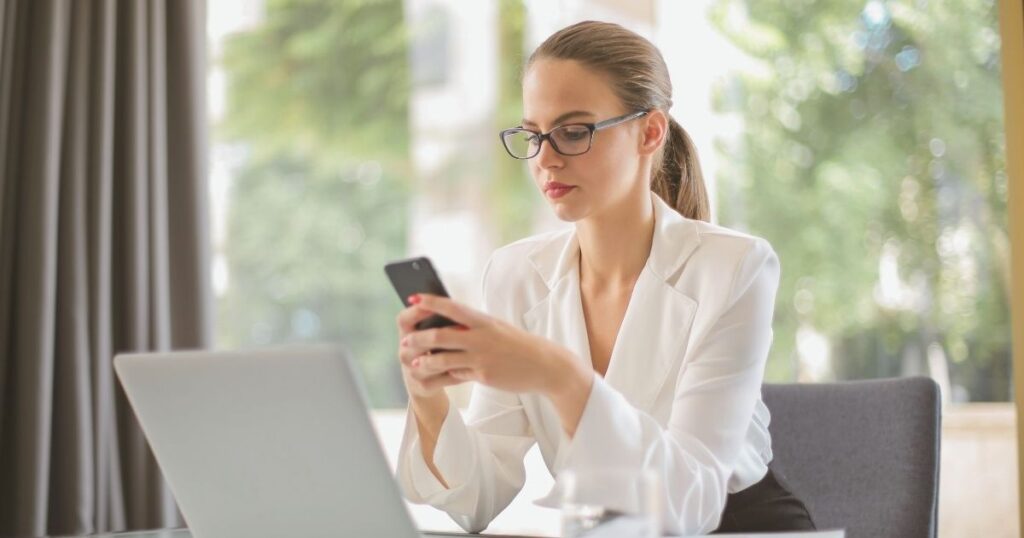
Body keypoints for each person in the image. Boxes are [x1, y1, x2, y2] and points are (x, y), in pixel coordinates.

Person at [393, 20, 815, 536]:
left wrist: (559, 375)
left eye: (573, 132)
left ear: (650, 132)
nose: (545, 159)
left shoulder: (735, 267)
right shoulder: (515, 275)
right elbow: (477, 499)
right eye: (533, 135)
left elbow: (691, 503)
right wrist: (428, 396)